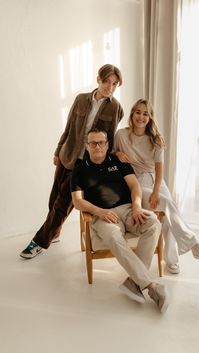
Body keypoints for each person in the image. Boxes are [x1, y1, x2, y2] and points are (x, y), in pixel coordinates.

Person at [20, 64, 124, 259]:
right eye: (107, 82)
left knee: (63, 203)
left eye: (115, 84)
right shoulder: (80, 99)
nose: (110, 87)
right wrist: (58, 151)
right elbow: (67, 128)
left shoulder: (115, 107)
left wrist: (100, 166)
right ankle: (55, 232)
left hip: (85, 164)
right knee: (53, 200)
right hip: (67, 156)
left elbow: (107, 141)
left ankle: (40, 242)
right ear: (98, 79)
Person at [70, 128, 170, 313]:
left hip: (128, 209)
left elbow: (134, 186)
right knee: (115, 237)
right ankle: (151, 286)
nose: (97, 146)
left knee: (154, 223)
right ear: (87, 146)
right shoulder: (79, 170)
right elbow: (77, 201)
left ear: (108, 145)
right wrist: (99, 212)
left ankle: (134, 282)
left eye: (101, 142)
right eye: (93, 143)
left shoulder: (118, 161)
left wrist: (137, 206)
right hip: (102, 215)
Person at [114, 99, 199, 274]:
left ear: (150, 117)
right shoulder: (121, 135)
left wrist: (155, 190)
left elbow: (159, 167)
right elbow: (111, 153)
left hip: (155, 180)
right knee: (167, 205)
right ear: (132, 114)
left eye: (146, 113)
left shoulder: (156, 139)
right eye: (138, 112)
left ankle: (172, 260)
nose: (141, 116)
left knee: (169, 213)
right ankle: (193, 244)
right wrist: (118, 153)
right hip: (135, 182)